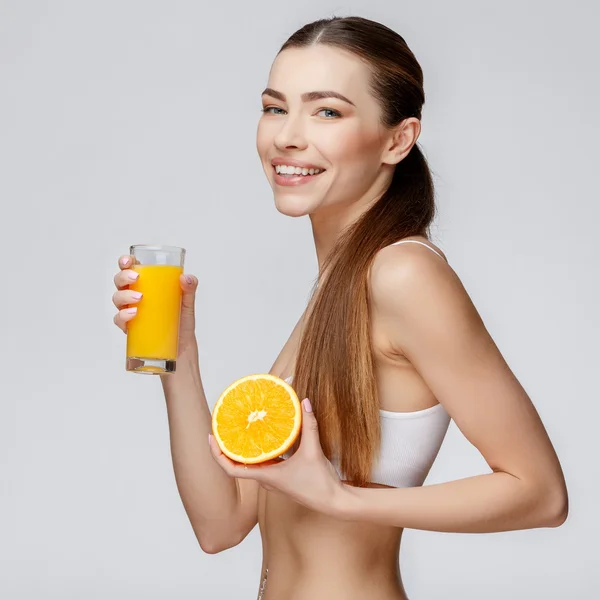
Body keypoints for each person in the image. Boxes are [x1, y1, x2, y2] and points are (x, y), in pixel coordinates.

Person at [111, 16, 568, 600]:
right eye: (275, 108)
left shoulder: (402, 274)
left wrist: (337, 497)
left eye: (327, 111)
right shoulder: (337, 288)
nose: (287, 137)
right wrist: (177, 352)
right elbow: (220, 524)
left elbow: (540, 492)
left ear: (397, 140)